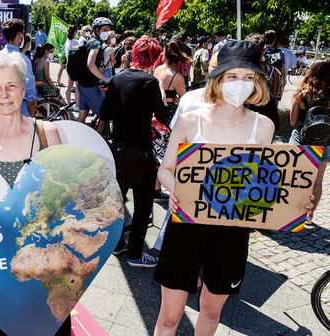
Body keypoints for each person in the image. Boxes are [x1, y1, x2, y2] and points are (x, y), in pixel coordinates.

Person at [154, 41, 298, 336]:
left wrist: (294, 205)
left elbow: (265, 183)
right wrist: (176, 191)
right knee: (169, 317)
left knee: (210, 310)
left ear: (257, 81)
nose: (240, 83)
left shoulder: (265, 127)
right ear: (218, 79)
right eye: (232, 76)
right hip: (188, 225)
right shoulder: (190, 120)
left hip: (233, 229)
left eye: (248, 76)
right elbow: (166, 170)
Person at [0, 50, 63, 336]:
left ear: (23, 87)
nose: (4, 94)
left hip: (46, 271)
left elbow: (62, 200)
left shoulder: (48, 133)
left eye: (11, 85)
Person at [102, 36, 167, 267]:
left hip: (117, 149)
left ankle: (118, 244)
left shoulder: (117, 79)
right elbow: (163, 116)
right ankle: (136, 253)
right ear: (154, 57)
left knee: (118, 201)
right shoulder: (150, 83)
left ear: (134, 55)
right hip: (141, 152)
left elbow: (105, 113)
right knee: (142, 205)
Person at [289, 60, 330, 212]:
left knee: (294, 178)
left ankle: (293, 213)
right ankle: (309, 215)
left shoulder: (301, 93)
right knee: (317, 182)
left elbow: (293, 122)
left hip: (301, 138)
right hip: (325, 141)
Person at [77, 17, 112, 124]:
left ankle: (77, 138)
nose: (107, 32)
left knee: (82, 115)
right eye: (105, 29)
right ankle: (99, 138)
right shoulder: (96, 44)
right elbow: (90, 64)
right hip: (90, 86)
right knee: (105, 115)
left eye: (108, 30)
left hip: (83, 84)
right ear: (97, 30)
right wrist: (105, 79)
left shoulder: (90, 41)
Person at [0, 19, 37, 117]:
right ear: (19, 36)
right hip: (20, 115)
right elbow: (30, 94)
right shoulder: (23, 60)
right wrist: (32, 116)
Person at [154, 39, 189, 127]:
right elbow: (184, 100)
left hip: (155, 109)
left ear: (165, 55)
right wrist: (177, 97)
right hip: (169, 111)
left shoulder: (157, 70)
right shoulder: (177, 77)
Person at [64, 25, 80, 105]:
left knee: (69, 86)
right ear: (74, 32)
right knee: (77, 87)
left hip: (69, 65)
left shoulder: (67, 41)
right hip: (75, 67)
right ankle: (77, 104)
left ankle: (68, 103)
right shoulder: (75, 42)